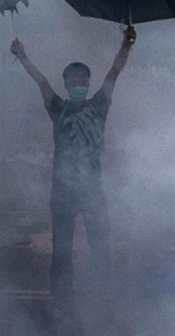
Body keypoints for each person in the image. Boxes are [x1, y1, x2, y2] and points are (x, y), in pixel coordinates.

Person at [10, 26, 135, 299]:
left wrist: (126, 46)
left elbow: (114, 72)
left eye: (82, 80)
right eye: (73, 80)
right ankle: (61, 302)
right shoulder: (58, 109)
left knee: (100, 247)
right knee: (62, 253)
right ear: (66, 85)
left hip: (93, 190)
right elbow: (42, 82)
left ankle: (102, 296)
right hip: (63, 192)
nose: (78, 84)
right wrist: (22, 56)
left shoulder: (99, 106)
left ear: (88, 84)